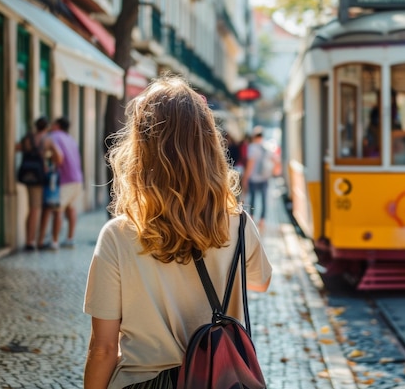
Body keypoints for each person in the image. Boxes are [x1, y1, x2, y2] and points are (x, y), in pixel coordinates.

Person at [82, 75, 272, 389]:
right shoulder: (237, 225)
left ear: (140, 150)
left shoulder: (117, 236)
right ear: (208, 145)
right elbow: (260, 282)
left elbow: (102, 348)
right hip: (218, 380)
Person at [15, 116, 62, 251]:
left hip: (26, 174)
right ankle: (30, 241)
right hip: (39, 177)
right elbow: (59, 157)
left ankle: (31, 239)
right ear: (46, 127)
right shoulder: (47, 140)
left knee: (32, 208)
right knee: (36, 209)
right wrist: (47, 157)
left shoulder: (27, 138)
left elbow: (17, 148)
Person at [37, 117, 83, 250]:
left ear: (57, 125)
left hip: (64, 179)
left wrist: (51, 163)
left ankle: (54, 241)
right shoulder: (70, 139)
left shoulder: (54, 137)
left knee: (58, 210)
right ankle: (70, 239)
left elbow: (58, 156)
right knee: (71, 208)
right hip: (77, 179)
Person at [242, 126, 274, 230]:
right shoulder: (267, 147)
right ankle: (262, 220)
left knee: (253, 199)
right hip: (264, 178)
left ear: (254, 136)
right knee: (264, 200)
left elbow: (250, 164)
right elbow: (275, 161)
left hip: (254, 178)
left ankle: (251, 218)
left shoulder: (252, 147)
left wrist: (245, 178)